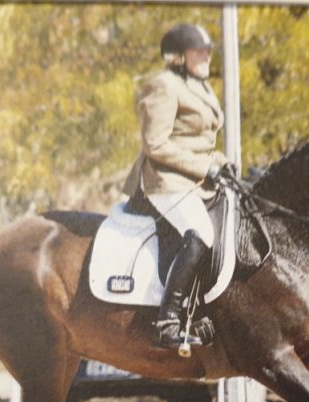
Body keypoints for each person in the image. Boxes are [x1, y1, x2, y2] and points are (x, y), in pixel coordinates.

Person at [122, 23, 234, 350]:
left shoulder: (199, 86)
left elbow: (199, 141)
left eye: (207, 50)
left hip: (195, 178)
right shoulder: (164, 85)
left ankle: (204, 309)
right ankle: (169, 320)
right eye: (198, 50)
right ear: (177, 56)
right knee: (201, 233)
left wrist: (224, 164)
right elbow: (155, 144)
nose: (206, 56)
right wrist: (206, 167)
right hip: (164, 179)